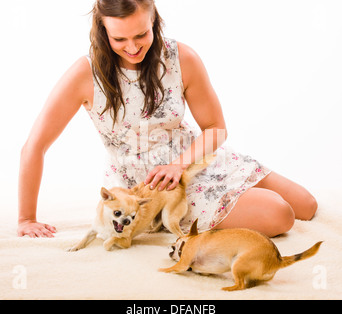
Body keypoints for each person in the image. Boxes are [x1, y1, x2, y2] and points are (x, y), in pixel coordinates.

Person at [18, 0, 317, 239]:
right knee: (280, 214)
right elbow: (34, 146)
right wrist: (26, 219)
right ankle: (211, 208)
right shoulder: (84, 74)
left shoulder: (181, 57)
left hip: (192, 158)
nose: (132, 47)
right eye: (119, 38)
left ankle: (231, 194)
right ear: (102, 30)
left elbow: (215, 128)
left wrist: (180, 163)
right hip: (154, 186)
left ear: (154, 21)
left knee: (306, 205)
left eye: (141, 35)